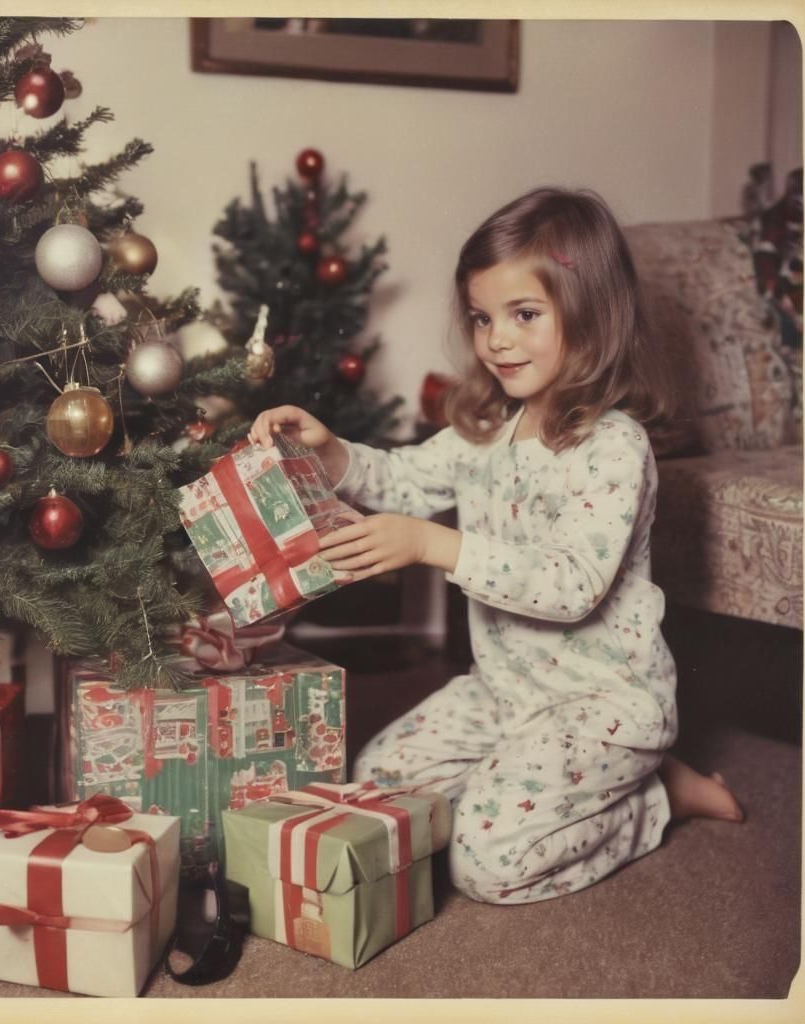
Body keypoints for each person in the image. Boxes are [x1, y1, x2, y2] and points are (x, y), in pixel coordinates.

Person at [247, 186, 743, 904]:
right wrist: (330, 454)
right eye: (483, 319)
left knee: (485, 865)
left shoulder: (614, 448)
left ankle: (654, 798)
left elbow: (570, 586)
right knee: (376, 784)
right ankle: (552, 784)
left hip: (604, 705)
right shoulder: (487, 429)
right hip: (507, 692)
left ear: (592, 315)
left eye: (524, 315)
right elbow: (402, 480)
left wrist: (433, 547)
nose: (497, 340)